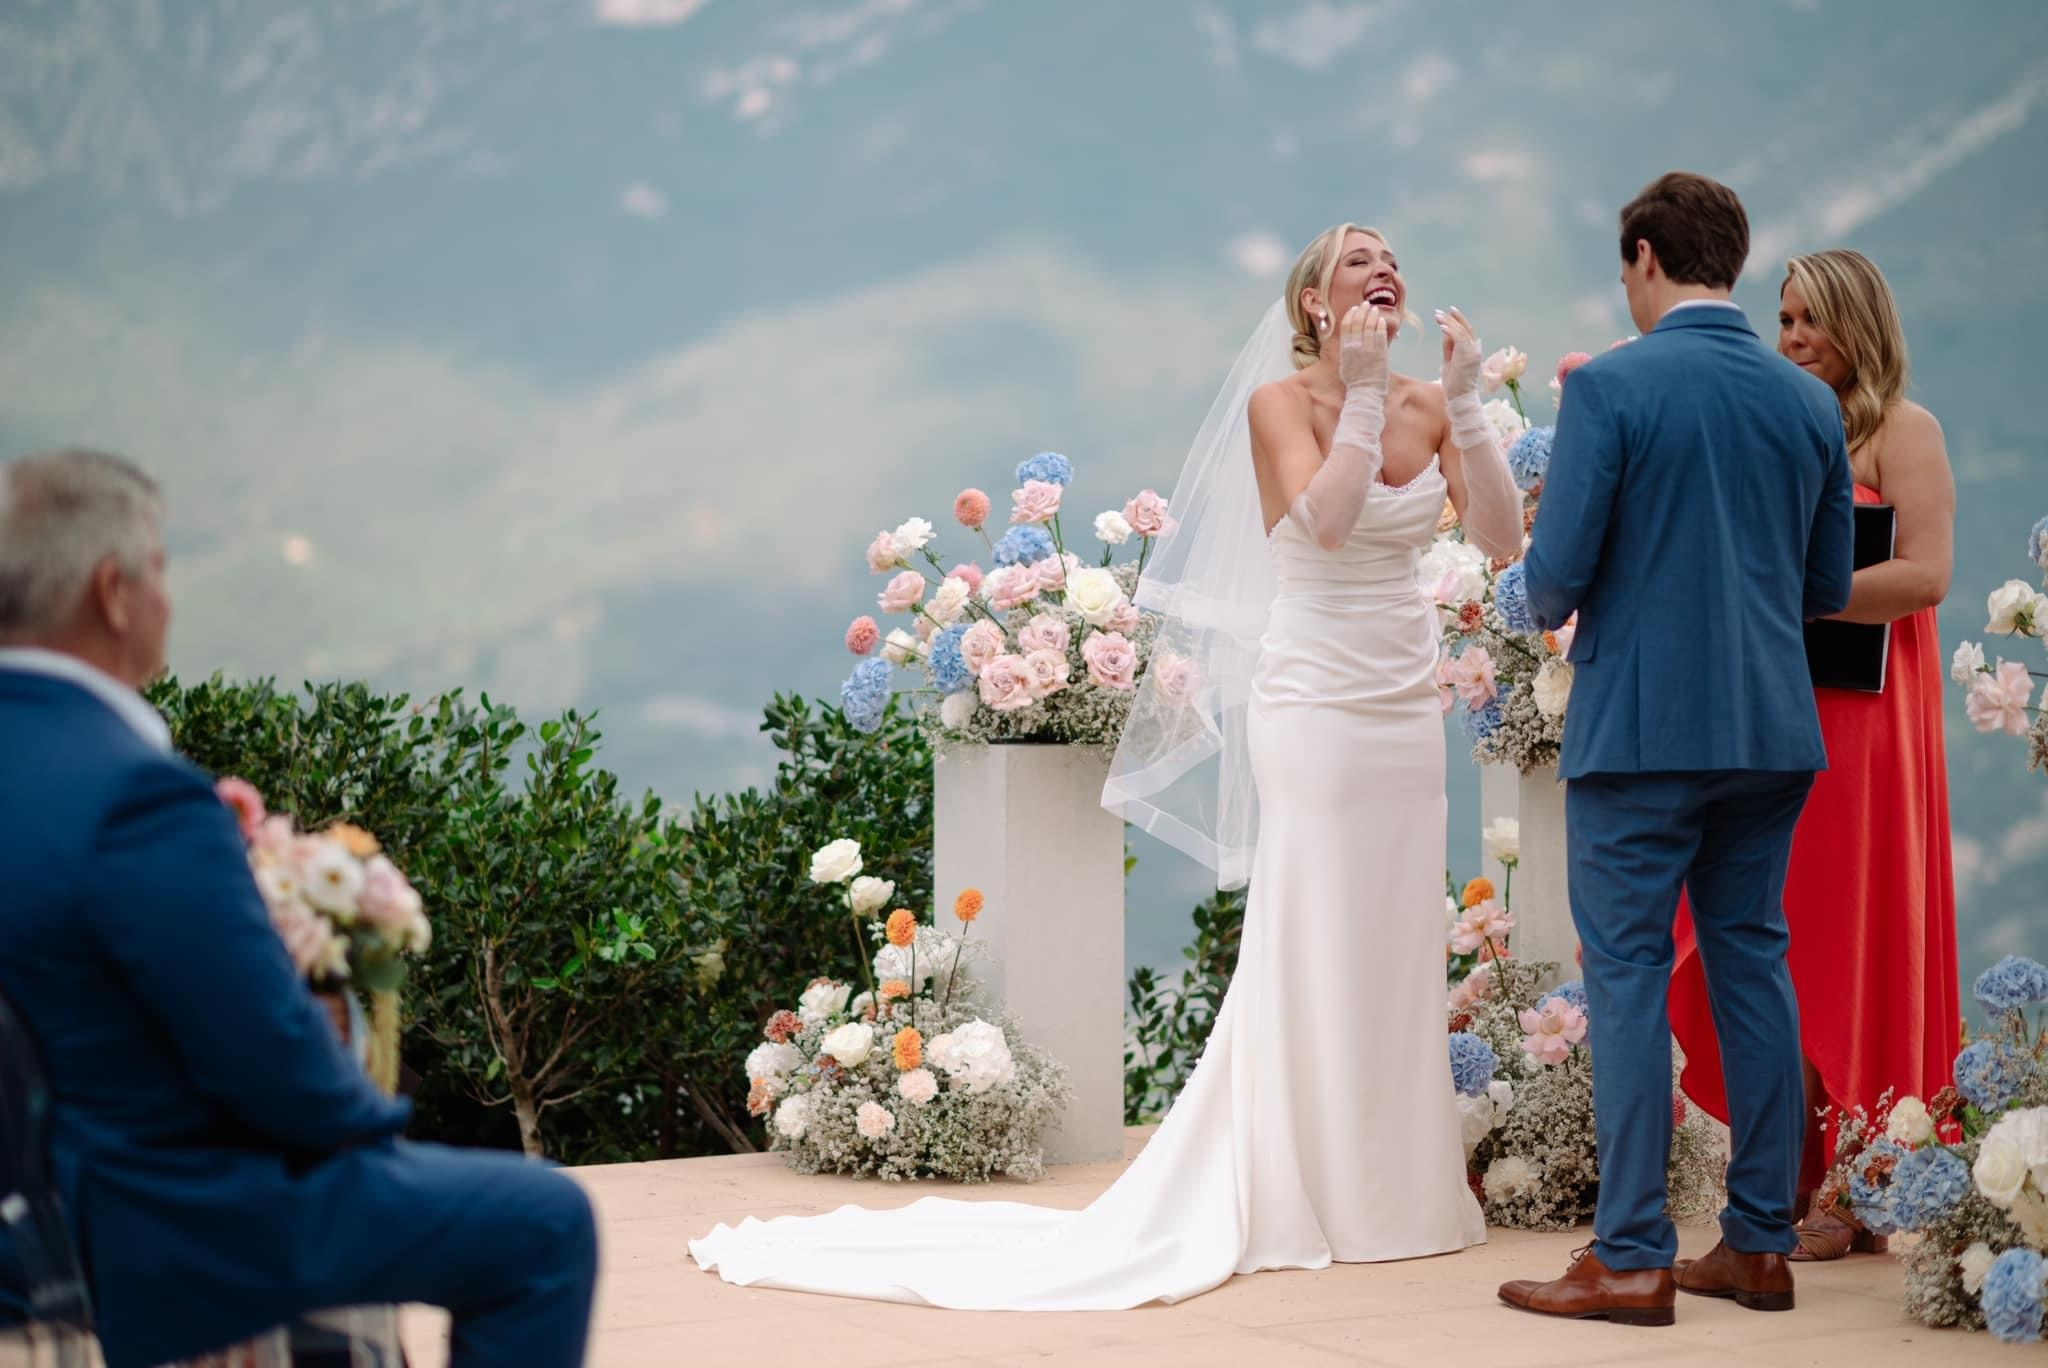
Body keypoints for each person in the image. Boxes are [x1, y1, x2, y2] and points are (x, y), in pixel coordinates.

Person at [690, 223, 1526, 1306]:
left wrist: (1461, 402)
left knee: (1394, 927)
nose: (1381, 267)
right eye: (1352, 258)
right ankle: (1314, 1184)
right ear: (1315, 305)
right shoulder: (1279, 405)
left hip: (1401, 712)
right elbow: (1321, 523)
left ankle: (1398, 1190)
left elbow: (1501, 540)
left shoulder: (1425, 404)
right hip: (1312, 704)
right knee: (1317, 920)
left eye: (1388, 257)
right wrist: (1360, 396)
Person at [0, 449, 600, 1368]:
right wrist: (375, 1124)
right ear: (113, 594)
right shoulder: (135, 798)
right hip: (145, 1224)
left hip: (29, 1208)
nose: (167, 595)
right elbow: (271, 1067)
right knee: (543, 1221)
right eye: (160, 570)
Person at [1499, 173, 1855, 1325]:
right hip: (1768, 726)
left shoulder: (1607, 387)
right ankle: (1756, 1244)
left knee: (1627, 977)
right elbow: (1823, 587)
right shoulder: (1807, 404)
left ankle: (1630, 1254)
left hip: (1640, 733)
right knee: (1751, 962)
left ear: (1643, 256)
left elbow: (1550, 579)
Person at [1667, 248, 1958, 1260]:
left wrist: (1794, 591)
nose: (1787, 338)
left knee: (1845, 923)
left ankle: (1863, 1166)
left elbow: (1924, 575)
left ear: (1854, 326)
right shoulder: (1770, 420)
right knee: (1755, 924)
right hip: (1763, 701)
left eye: (1805, 321)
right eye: (1781, 320)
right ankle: (1780, 1162)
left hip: (1864, 719)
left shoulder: (1902, 431)